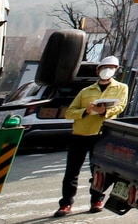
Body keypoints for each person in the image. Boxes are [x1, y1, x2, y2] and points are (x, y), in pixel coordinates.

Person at [55, 55, 129, 216]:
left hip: (102, 135)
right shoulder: (86, 91)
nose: (108, 70)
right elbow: (69, 113)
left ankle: (96, 199)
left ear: (116, 71)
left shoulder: (121, 88)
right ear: (98, 70)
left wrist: (106, 111)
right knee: (72, 171)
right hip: (80, 134)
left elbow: (121, 106)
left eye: (112, 68)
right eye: (105, 67)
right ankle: (66, 203)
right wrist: (86, 111)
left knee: (99, 171)